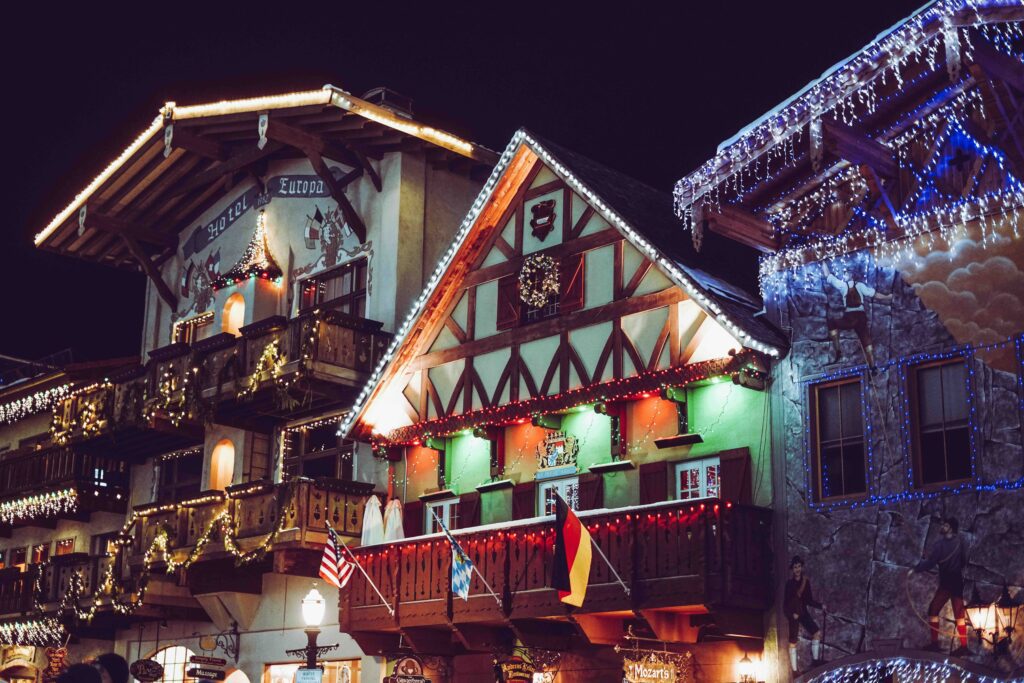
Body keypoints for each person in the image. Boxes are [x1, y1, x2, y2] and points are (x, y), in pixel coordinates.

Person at [909, 517, 969, 656]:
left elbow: (930, 563)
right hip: (957, 581)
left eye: (945, 525)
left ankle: (935, 644)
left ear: (951, 528)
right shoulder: (960, 542)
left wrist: (916, 569)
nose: (942, 527)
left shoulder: (940, 545)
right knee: (959, 613)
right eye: (943, 524)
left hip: (947, 582)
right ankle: (964, 646)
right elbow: (963, 562)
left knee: (933, 610)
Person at [822, 262, 892, 367]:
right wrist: (887, 297)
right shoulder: (853, 285)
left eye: (846, 273)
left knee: (832, 323)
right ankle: (872, 367)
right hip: (857, 316)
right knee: (866, 339)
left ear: (851, 274)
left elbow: (828, 275)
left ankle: (838, 351)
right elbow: (875, 294)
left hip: (853, 317)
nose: (844, 275)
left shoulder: (849, 285)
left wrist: (887, 297)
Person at [783, 556, 825, 673]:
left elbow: (808, 599)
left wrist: (820, 606)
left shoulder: (806, 582)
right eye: (795, 567)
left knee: (816, 633)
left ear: (801, 567)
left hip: (803, 612)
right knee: (793, 642)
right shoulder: (790, 584)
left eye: (799, 566)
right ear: (792, 569)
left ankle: (815, 662)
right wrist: (791, 615)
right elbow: (789, 601)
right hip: (793, 614)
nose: (797, 569)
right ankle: (795, 671)